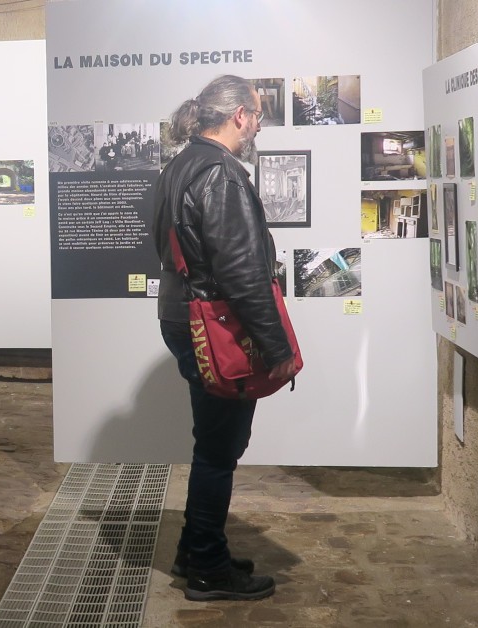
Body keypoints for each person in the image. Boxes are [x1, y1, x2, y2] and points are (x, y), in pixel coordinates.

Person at [152, 75, 301, 602]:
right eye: (258, 115)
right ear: (239, 115)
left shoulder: (179, 166)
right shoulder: (219, 174)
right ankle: (210, 571)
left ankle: (196, 550)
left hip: (184, 318)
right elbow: (240, 271)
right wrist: (278, 349)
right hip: (213, 326)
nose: (258, 125)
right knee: (219, 451)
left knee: (213, 444)